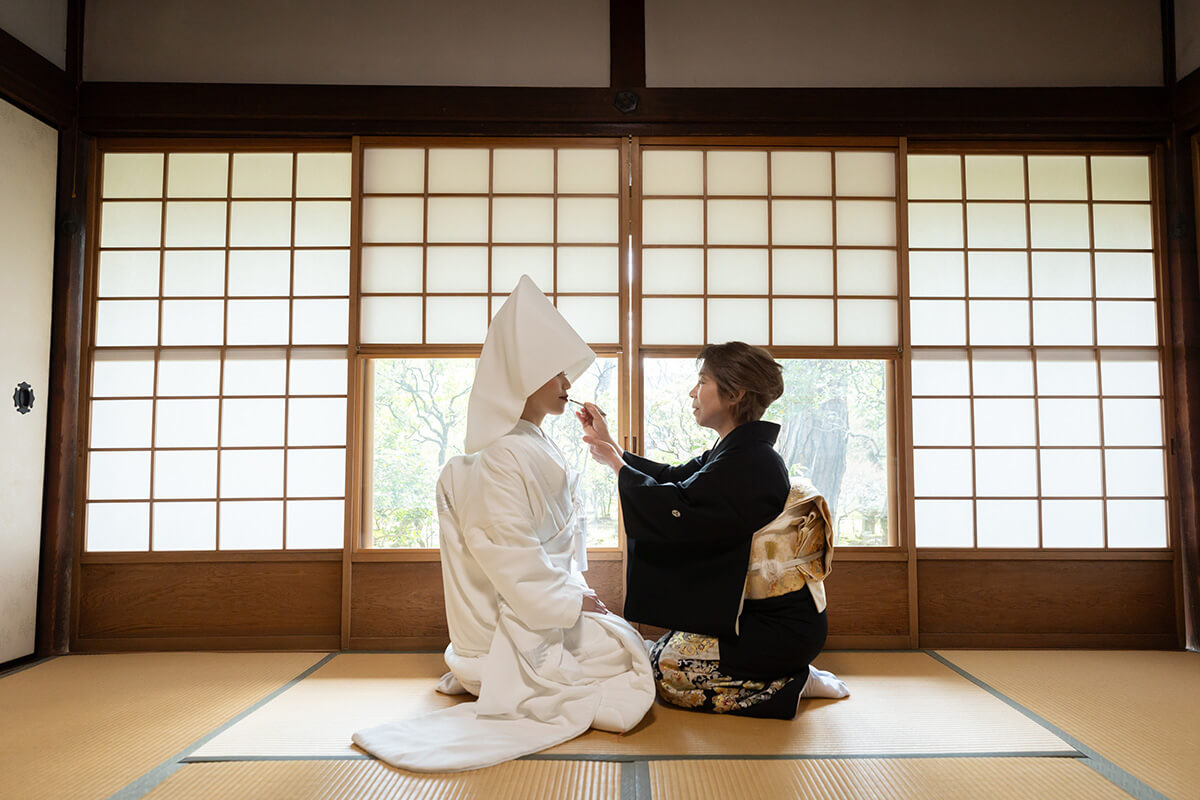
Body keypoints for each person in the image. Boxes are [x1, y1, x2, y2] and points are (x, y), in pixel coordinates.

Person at [353, 275, 654, 772]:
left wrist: (575, 595)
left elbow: (548, 550)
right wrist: (571, 599)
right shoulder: (499, 455)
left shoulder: (531, 443)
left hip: (541, 604)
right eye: (556, 374)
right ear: (523, 376)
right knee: (628, 656)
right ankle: (491, 671)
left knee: (629, 645)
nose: (568, 385)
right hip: (511, 626)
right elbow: (509, 555)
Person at [580, 341, 848, 719]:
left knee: (669, 673)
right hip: (756, 617)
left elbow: (678, 509)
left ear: (735, 394)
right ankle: (783, 674)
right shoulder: (735, 451)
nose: (693, 392)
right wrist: (613, 450)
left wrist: (618, 466)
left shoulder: (751, 461)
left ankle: (792, 682)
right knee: (657, 653)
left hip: (778, 630)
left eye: (702, 381)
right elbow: (675, 479)